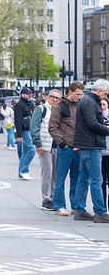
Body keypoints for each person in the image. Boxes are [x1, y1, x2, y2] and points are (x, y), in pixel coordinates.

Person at [73, 79, 109, 223]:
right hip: (91, 145)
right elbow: (92, 123)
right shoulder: (89, 101)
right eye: (105, 93)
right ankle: (100, 212)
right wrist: (107, 130)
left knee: (84, 179)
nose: (106, 96)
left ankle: (80, 210)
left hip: (86, 145)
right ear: (99, 91)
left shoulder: (87, 100)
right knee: (96, 180)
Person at [48, 81, 85, 216]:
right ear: (70, 92)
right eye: (77, 94)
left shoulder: (81, 105)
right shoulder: (59, 107)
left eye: (81, 94)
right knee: (61, 178)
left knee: (76, 179)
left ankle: (75, 206)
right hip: (65, 148)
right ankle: (59, 205)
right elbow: (52, 127)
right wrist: (62, 144)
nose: (79, 97)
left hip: (78, 148)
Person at [29, 89, 62, 211]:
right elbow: (34, 127)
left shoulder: (58, 110)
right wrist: (38, 143)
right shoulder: (41, 109)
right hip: (45, 147)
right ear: (47, 97)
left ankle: (53, 199)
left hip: (56, 146)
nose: (55, 99)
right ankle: (46, 200)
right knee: (47, 174)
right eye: (52, 97)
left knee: (55, 175)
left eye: (57, 98)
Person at [14, 87, 36, 180]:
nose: (30, 95)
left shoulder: (31, 104)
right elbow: (17, 120)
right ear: (23, 95)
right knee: (32, 149)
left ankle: (21, 173)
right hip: (24, 130)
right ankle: (24, 171)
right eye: (28, 94)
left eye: (30, 93)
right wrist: (19, 135)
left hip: (30, 129)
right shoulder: (19, 105)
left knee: (25, 152)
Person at [101, 98, 109, 209]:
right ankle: (102, 207)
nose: (102, 106)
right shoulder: (94, 117)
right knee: (101, 182)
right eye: (100, 104)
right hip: (99, 153)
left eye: (104, 104)